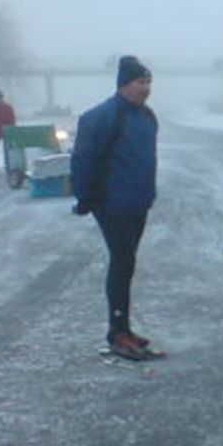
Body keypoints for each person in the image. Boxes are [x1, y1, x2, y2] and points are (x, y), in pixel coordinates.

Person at [70, 56, 161, 361]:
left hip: (138, 202)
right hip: (112, 204)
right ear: (123, 85)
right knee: (122, 263)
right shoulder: (102, 117)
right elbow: (83, 158)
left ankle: (123, 327)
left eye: (148, 82)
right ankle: (117, 332)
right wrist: (85, 197)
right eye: (140, 82)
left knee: (127, 264)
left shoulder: (147, 116)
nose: (145, 88)